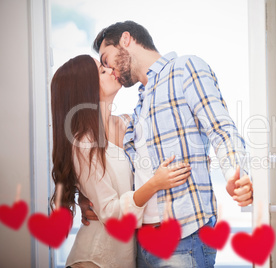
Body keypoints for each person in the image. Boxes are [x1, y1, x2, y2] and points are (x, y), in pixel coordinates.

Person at [81, 20, 254, 267]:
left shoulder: (184, 68)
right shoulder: (139, 108)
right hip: (141, 245)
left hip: (182, 240)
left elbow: (221, 129)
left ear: (126, 40)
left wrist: (234, 173)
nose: (110, 70)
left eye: (107, 59)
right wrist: (87, 199)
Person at [50, 54, 192, 268]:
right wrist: (155, 183)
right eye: (101, 70)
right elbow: (112, 214)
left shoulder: (128, 124)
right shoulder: (83, 143)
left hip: (127, 256)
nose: (110, 70)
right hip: (95, 259)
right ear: (84, 88)